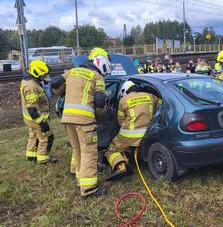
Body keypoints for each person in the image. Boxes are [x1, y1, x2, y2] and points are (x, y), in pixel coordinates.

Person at [51, 47, 111, 197]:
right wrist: (100, 113)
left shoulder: (72, 71)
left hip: (67, 120)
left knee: (77, 150)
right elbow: (99, 101)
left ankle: (80, 180)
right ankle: (89, 189)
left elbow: (54, 84)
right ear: (102, 64)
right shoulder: (97, 77)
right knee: (89, 153)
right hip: (84, 121)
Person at [105, 81, 161, 181]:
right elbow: (161, 106)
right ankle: (127, 156)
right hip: (149, 133)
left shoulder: (123, 100)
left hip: (129, 135)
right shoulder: (150, 96)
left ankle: (121, 166)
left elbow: (120, 121)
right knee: (128, 147)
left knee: (111, 150)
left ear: (124, 91)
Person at [20, 60, 57, 164]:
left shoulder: (28, 81)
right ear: (36, 73)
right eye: (43, 75)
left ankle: (31, 156)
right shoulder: (31, 86)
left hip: (29, 118)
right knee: (46, 137)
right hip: (35, 118)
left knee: (33, 135)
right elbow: (32, 109)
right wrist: (42, 123)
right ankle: (43, 158)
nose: (44, 77)